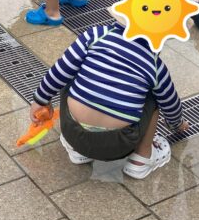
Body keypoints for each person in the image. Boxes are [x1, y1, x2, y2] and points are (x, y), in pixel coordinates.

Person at [28, 23, 186, 178]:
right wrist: (177, 125)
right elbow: (171, 105)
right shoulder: (156, 66)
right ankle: (142, 158)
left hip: (72, 132)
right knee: (155, 95)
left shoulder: (95, 35)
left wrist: (40, 100)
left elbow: (58, 71)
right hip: (119, 145)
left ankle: (76, 150)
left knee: (70, 70)